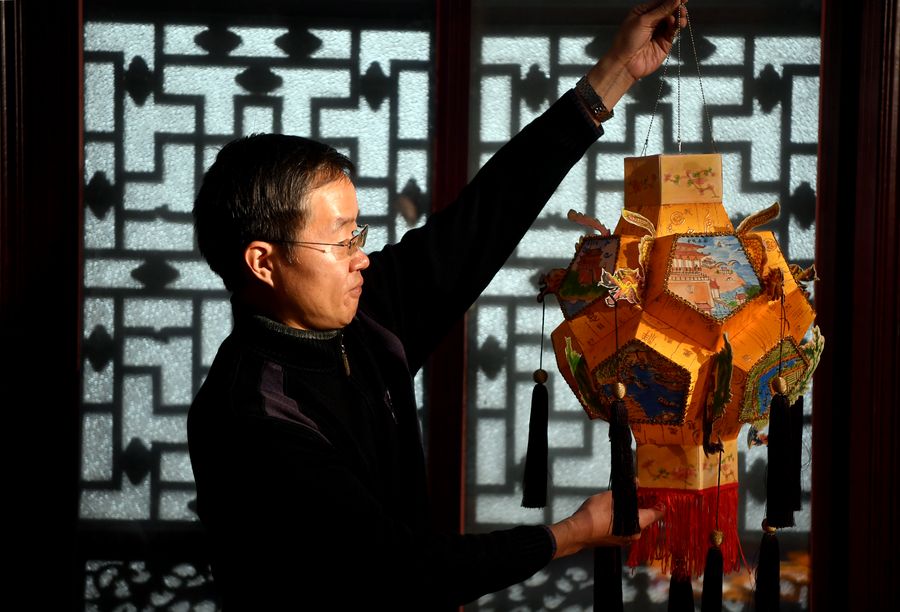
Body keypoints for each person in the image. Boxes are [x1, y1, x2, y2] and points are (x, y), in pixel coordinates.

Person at [188, 1, 685, 608]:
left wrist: (616, 71)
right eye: (340, 241)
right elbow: (400, 567)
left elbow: (486, 215)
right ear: (263, 262)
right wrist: (571, 534)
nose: (360, 258)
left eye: (358, 234)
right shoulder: (250, 416)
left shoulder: (364, 315)